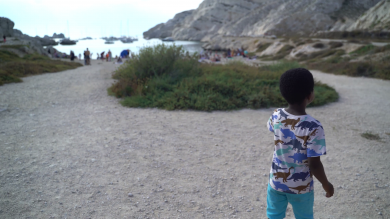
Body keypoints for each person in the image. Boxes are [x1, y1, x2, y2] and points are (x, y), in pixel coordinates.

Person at [266, 68, 334, 219]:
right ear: (309, 95)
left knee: (274, 215)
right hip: (301, 189)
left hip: (276, 182)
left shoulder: (276, 115)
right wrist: (325, 183)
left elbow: (271, 128)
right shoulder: (314, 126)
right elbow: (314, 164)